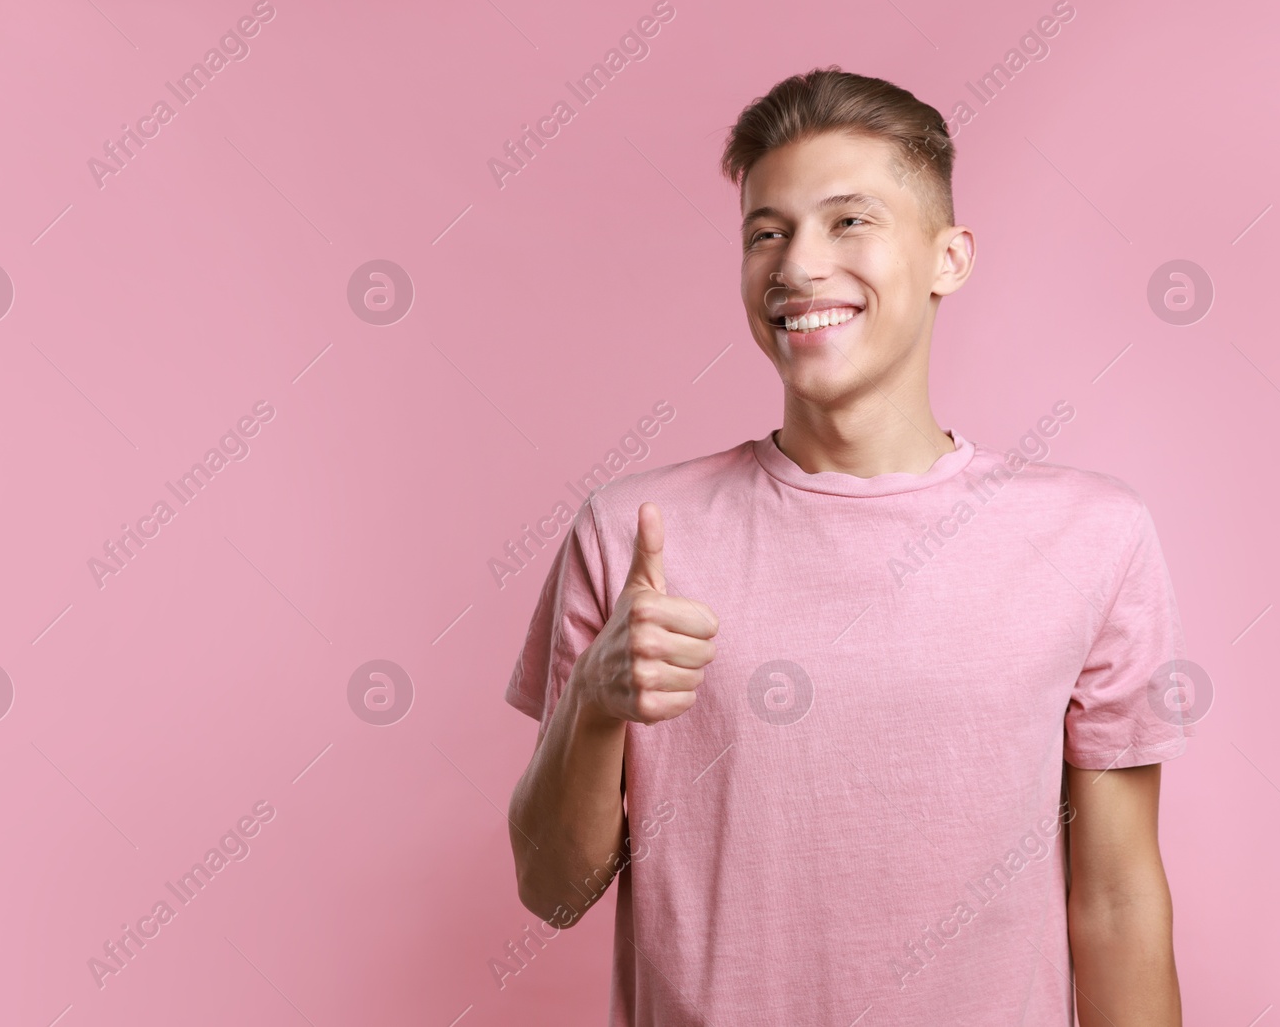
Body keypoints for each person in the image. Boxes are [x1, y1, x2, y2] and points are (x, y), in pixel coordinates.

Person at [504, 66, 1189, 1026]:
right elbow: (553, 889)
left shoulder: (1094, 536)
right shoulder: (629, 531)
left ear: (949, 257)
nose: (796, 266)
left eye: (848, 221)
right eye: (766, 232)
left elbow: (1116, 903)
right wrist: (594, 700)